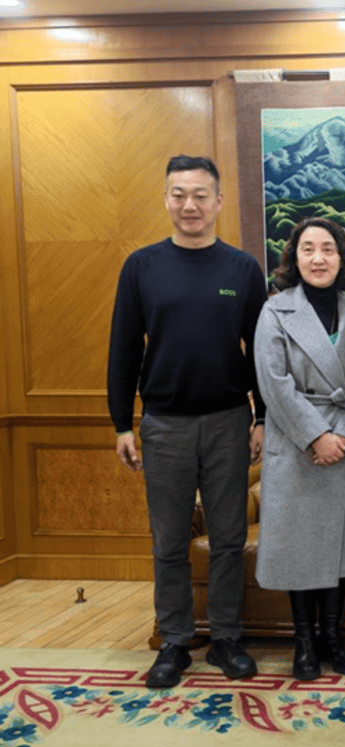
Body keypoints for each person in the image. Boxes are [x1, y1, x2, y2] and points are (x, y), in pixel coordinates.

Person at [108, 155, 267, 688]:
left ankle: (225, 638)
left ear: (218, 202)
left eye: (200, 195)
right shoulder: (142, 266)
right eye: (179, 194)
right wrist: (121, 424)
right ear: (167, 200)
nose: (189, 205)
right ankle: (175, 641)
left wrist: (261, 417)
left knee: (227, 538)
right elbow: (124, 349)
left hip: (227, 421)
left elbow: (261, 353)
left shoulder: (242, 269)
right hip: (163, 425)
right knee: (169, 541)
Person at [254, 218, 345, 681]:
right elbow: (274, 384)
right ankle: (304, 643)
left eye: (328, 249)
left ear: (343, 258)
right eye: (308, 249)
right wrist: (316, 436)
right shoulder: (275, 312)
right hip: (298, 446)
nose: (318, 258)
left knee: (343, 550)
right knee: (300, 550)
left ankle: (333, 638)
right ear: (295, 257)